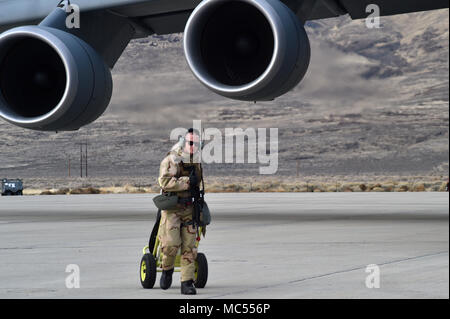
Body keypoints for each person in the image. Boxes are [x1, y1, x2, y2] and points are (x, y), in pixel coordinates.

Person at [157, 128, 203, 295]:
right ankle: (167, 269)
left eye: (197, 143)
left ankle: (187, 282)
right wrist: (185, 182)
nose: (194, 146)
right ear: (184, 143)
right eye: (191, 143)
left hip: (189, 208)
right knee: (170, 245)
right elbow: (164, 182)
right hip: (172, 209)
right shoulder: (171, 159)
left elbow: (197, 184)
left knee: (189, 247)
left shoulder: (196, 161)